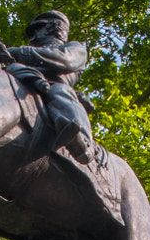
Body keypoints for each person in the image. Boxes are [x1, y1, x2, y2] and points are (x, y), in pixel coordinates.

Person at [9, 10, 95, 164]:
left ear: (53, 28)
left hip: (55, 84)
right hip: (26, 78)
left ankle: (82, 144)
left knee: (60, 93)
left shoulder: (75, 48)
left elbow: (66, 61)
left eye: (38, 28)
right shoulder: (26, 53)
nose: (33, 35)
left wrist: (23, 52)